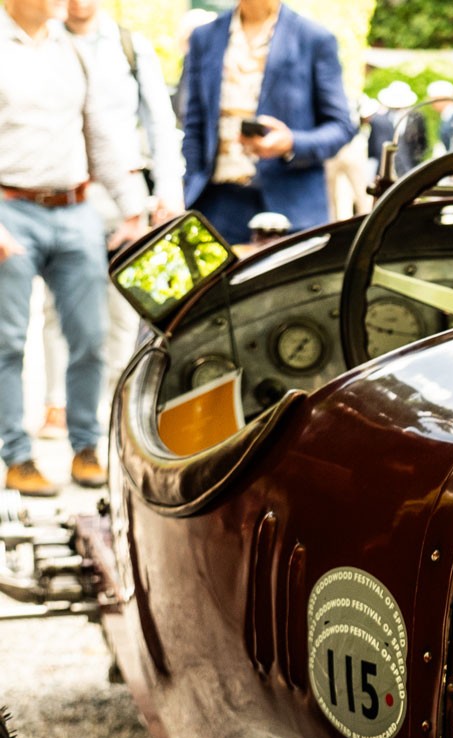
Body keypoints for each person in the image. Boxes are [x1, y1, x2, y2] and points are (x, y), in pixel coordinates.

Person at [0, 0, 147, 495]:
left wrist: (132, 207)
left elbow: (99, 133)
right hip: (10, 209)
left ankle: (85, 447)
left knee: (91, 336)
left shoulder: (73, 49)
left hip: (75, 208)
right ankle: (17, 456)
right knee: (8, 341)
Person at [30, 0, 182, 446]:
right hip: (67, 192)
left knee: (123, 309)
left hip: (125, 197)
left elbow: (160, 124)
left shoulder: (130, 47)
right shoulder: (43, 44)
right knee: (60, 307)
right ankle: (58, 403)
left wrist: (167, 191)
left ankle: (116, 403)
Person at [181, 0, 355, 244]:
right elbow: (194, 125)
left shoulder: (314, 39)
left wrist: (290, 143)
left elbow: (341, 127)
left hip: (291, 213)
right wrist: (190, 185)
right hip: (217, 208)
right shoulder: (204, 37)